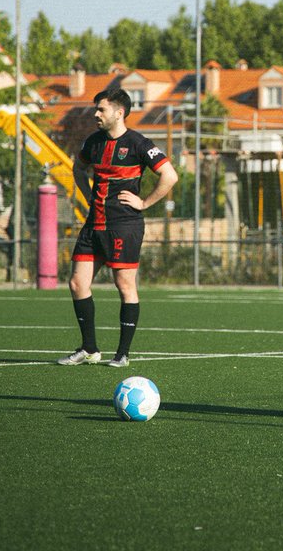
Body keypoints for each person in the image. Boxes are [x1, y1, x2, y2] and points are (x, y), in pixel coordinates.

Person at [58, 88, 178, 367]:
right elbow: (78, 168)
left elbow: (169, 176)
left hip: (124, 225)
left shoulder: (138, 143)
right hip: (93, 223)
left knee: (124, 284)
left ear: (119, 112)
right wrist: (88, 196)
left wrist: (144, 202)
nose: (96, 114)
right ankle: (89, 349)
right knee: (77, 283)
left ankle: (122, 354)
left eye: (101, 109)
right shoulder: (93, 142)